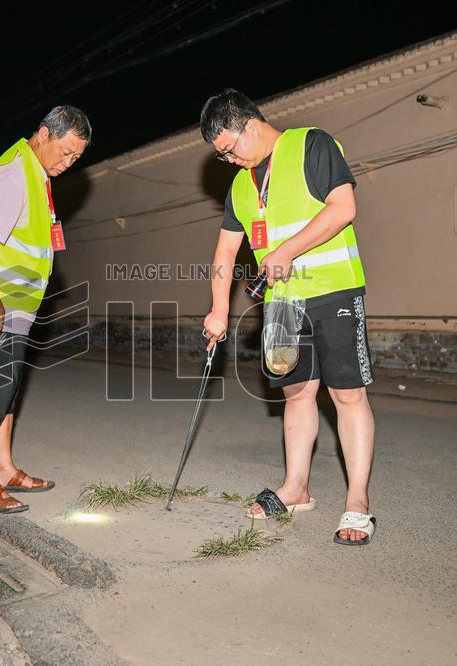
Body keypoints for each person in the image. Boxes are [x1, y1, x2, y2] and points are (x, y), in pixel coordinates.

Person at [199, 89, 377, 545]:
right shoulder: (240, 186)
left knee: (347, 396)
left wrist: (287, 250)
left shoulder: (312, 145)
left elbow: (344, 208)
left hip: (333, 291)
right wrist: (219, 309)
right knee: (297, 394)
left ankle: (357, 502)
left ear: (249, 127)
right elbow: (225, 250)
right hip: (282, 306)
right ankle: (296, 488)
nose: (229, 160)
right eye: (222, 156)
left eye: (229, 149)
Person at [0, 105, 90, 514]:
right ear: (44, 134)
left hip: (15, 306)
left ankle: (5, 468)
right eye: (65, 152)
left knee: (6, 390)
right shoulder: (15, 173)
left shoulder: (36, 174)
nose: (68, 162)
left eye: (76, 157)